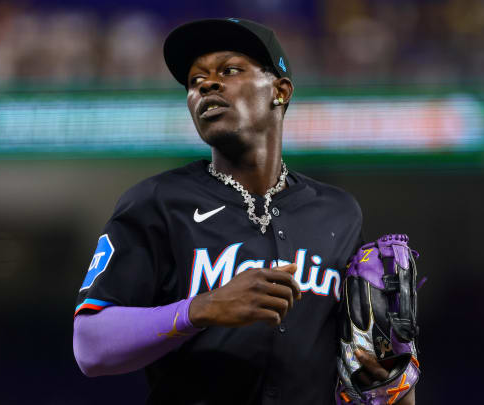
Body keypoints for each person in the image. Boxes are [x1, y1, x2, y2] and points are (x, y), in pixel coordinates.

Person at [72, 18, 414, 405]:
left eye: (229, 70)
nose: (206, 84)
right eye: (194, 80)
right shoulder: (157, 201)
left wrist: (394, 379)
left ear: (280, 91)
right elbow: (90, 346)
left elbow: (373, 371)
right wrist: (200, 309)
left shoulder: (338, 213)